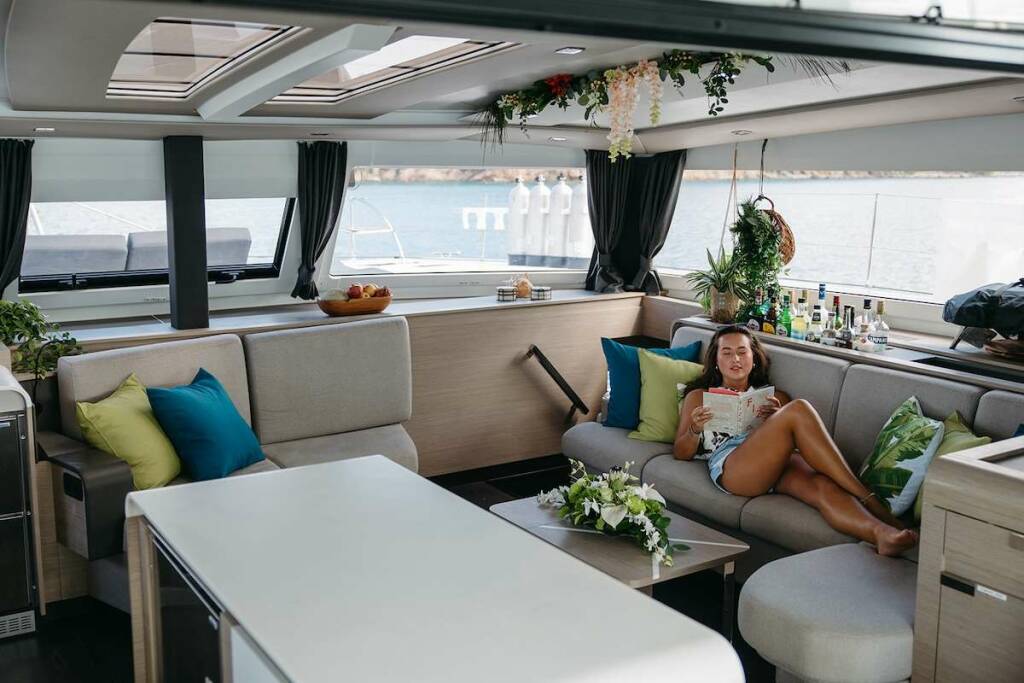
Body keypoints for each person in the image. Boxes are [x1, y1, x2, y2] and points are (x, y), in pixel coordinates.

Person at [673, 325, 918, 556]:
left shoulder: (774, 397)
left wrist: (775, 417)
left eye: (742, 351)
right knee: (799, 408)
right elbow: (681, 453)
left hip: (781, 465)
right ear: (716, 361)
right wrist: (695, 429)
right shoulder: (699, 397)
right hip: (733, 467)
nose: (735, 359)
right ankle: (868, 497)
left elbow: (800, 440)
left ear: (753, 358)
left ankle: (881, 534)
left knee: (823, 487)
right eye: (726, 353)